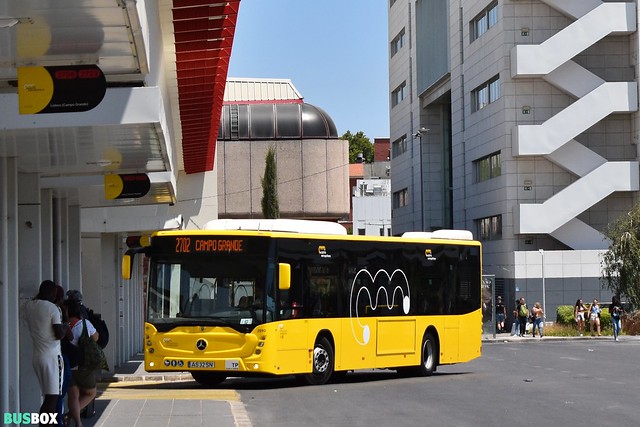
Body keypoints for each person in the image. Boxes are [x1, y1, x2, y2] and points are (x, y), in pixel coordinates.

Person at [26, 280, 67, 426]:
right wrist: (65, 327)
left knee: (48, 397)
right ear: (51, 293)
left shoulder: (30, 306)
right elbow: (59, 334)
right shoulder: (52, 308)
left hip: (37, 357)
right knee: (52, 398)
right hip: (52, 357)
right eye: (54, 294)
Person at [66, 300, 100, 427]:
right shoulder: (84, 324)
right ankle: (70, 416)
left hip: (68, 365)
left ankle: (77, 422)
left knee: (73, 395)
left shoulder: (64, 326)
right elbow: (96, 337)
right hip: (83, 365)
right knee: (91, 393)